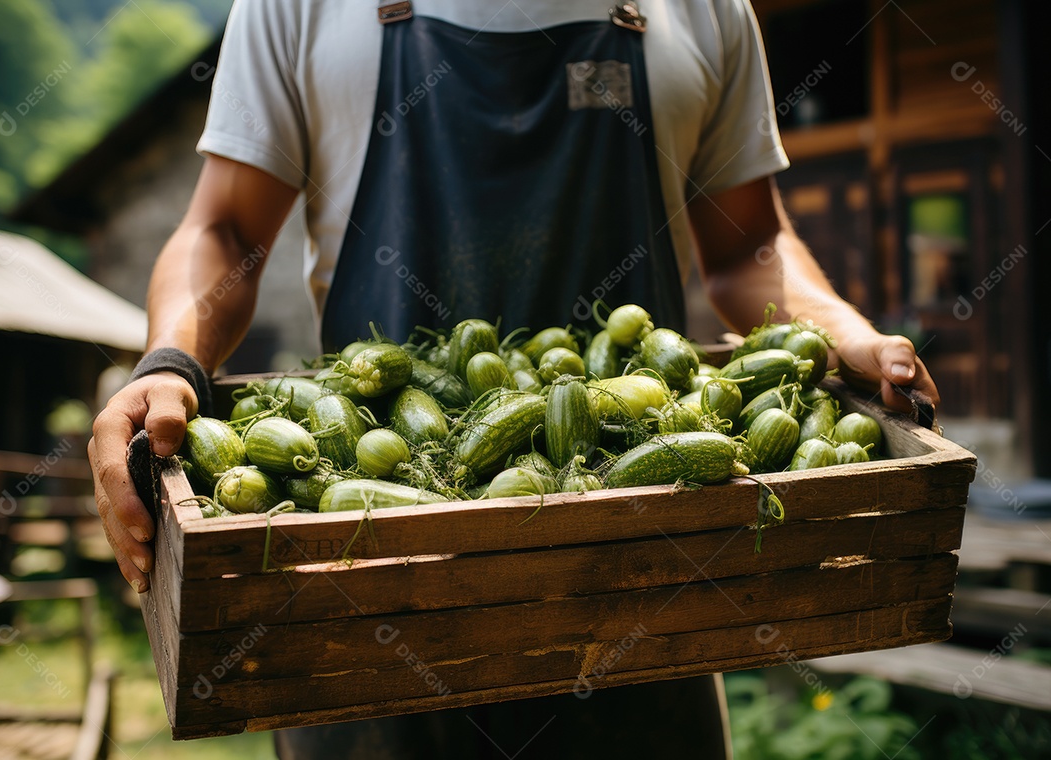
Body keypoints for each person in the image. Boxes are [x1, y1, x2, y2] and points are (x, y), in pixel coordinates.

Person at [89, 1, 939, 757]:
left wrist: (843, 333)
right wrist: (169, 359)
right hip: (361, 590)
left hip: (646, 578)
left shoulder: (706, 9)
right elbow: (229, 228)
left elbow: (749, 241)